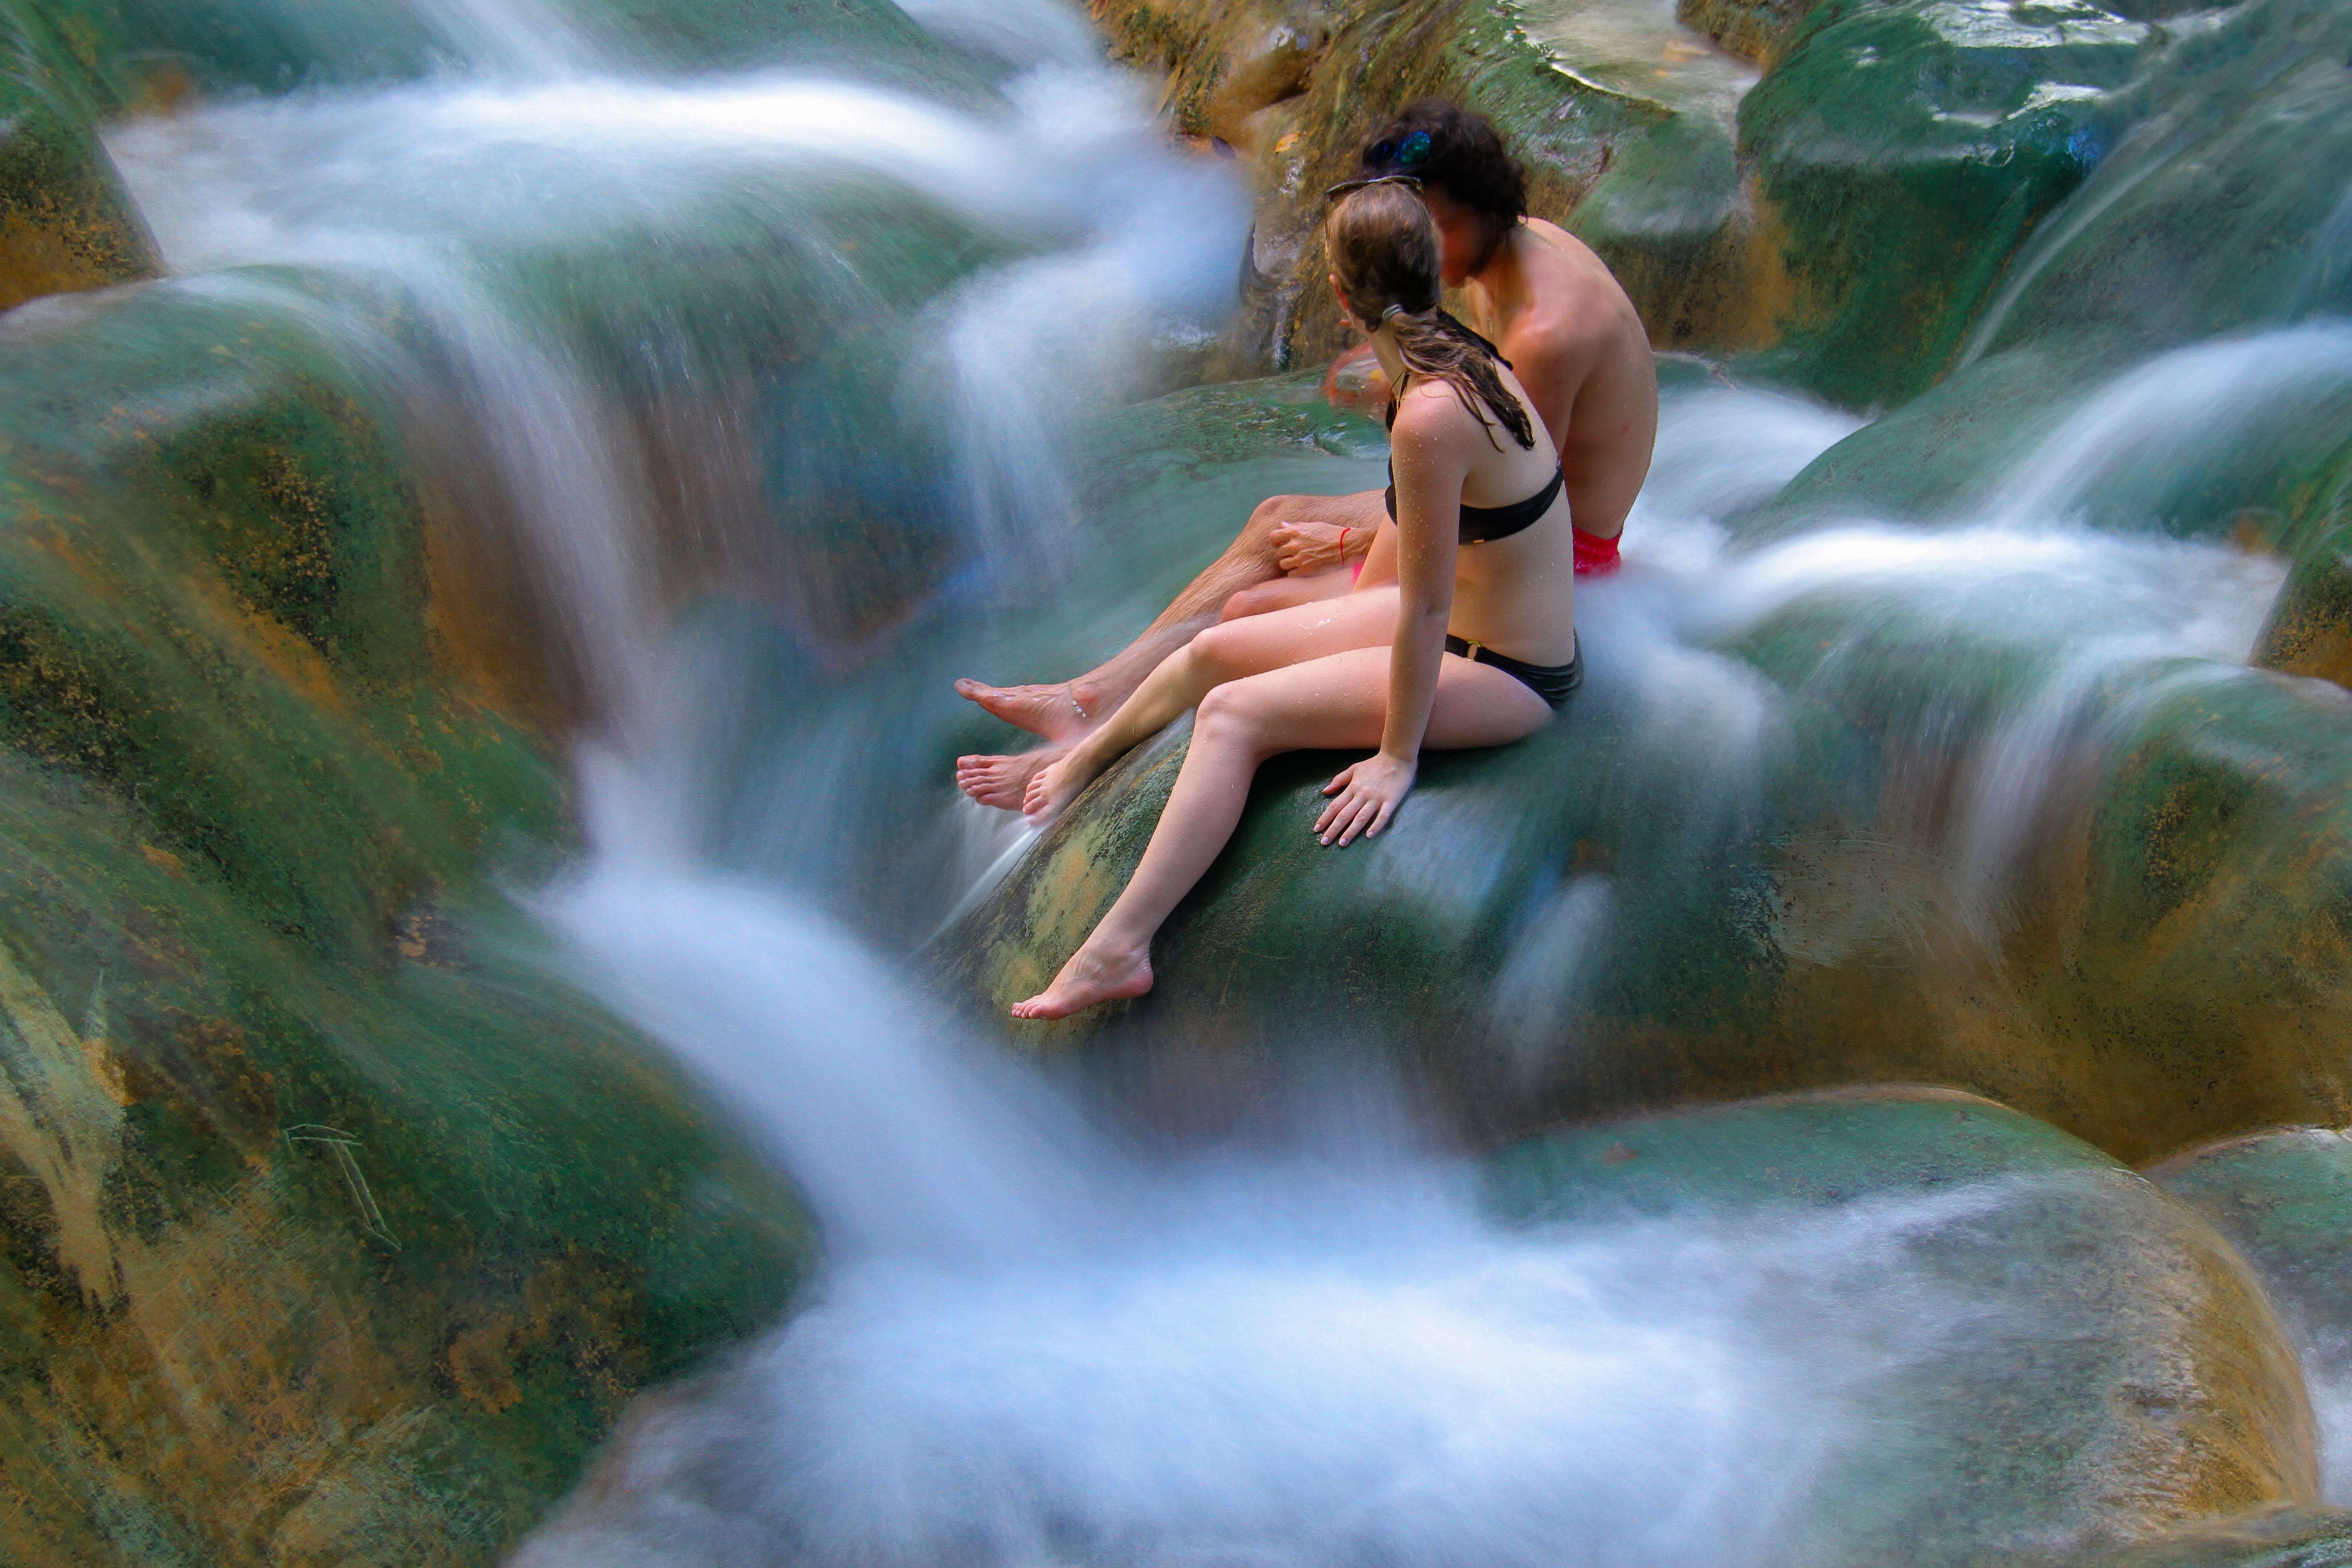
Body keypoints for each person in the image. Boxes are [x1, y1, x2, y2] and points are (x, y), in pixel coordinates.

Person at [955, 98, 1656, 811]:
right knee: (1276, 520)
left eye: (1428, 225)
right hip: (1491, 510)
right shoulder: (1518, 245)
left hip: (1552, 560)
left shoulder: (1547, 331)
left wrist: (1351, 538)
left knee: (1255, 602)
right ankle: (1095, 699)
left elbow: (1517, 506)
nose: (1420, 244)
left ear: (1477, 204)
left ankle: (1092, 734)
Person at [1009, 178, 1582, 1019]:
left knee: (1234, 715)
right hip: (1464, 624)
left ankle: (1119, 948)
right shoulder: (1442, 357)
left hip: (1507, 670)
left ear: (1344, 297)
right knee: (1212, 652)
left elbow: (1420, 610)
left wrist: (1396, 757)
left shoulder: (1430, 413)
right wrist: (1332, 603)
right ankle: (1080, 761)